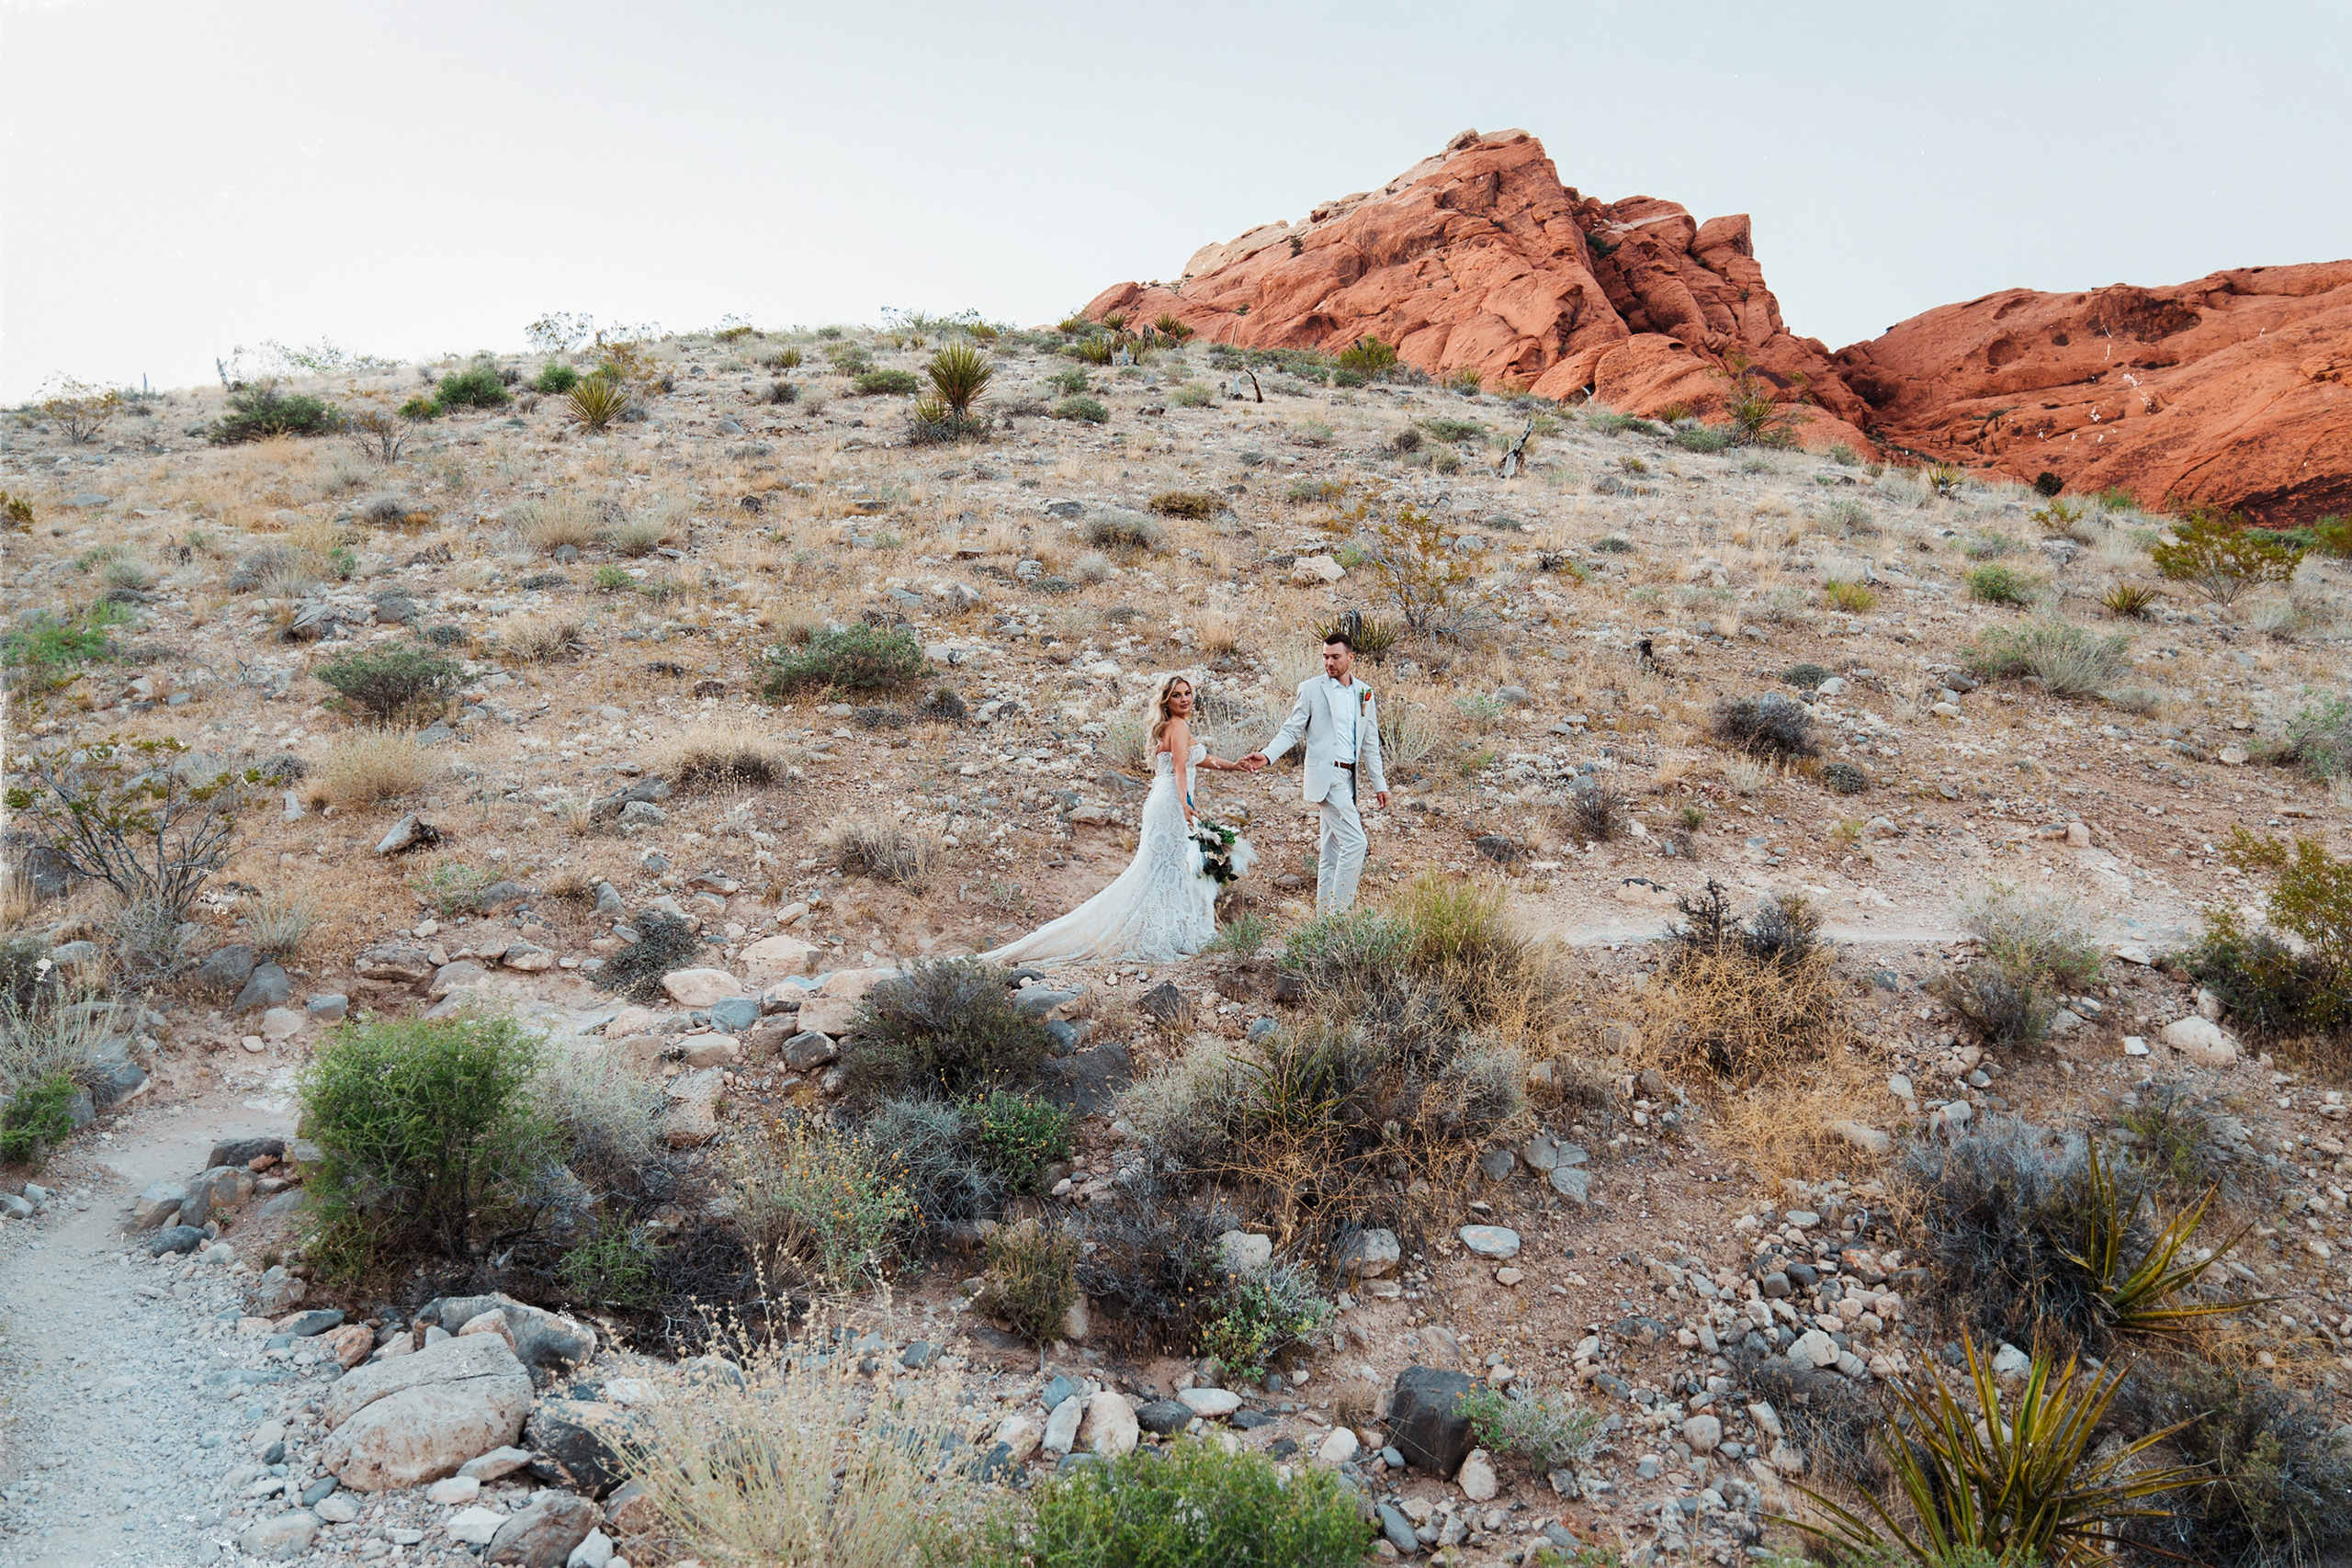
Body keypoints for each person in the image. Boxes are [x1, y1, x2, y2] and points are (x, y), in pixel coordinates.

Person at [980, 672, 1249, 964]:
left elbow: (1201, 759)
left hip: (1166, 800)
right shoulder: (1178, 725)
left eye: (1187, 693)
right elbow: (1180, 768)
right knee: (1163, 870)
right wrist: (1186, 803)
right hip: (1171, 802)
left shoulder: (1175, 726)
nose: (1184, 699)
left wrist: (1234, 765)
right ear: (1166, 701)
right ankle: (1157, 934)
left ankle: (1170, 931)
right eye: (1176, 695)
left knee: (1166, 870)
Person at [1241, 631, 1388, 912]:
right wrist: (1268, 755)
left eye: (1335, 657)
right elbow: (1292, 729)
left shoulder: (1364, 692)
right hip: (1327, 776)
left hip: (1349, 778)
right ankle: (1339, 917)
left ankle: (1324, 922)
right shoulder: (1311, 688)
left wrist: (1379, 784)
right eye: (1325, 657)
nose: (1329, 662)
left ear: (1351, 658)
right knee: (1356, 843)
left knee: (1332, 852)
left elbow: (1370, 744)